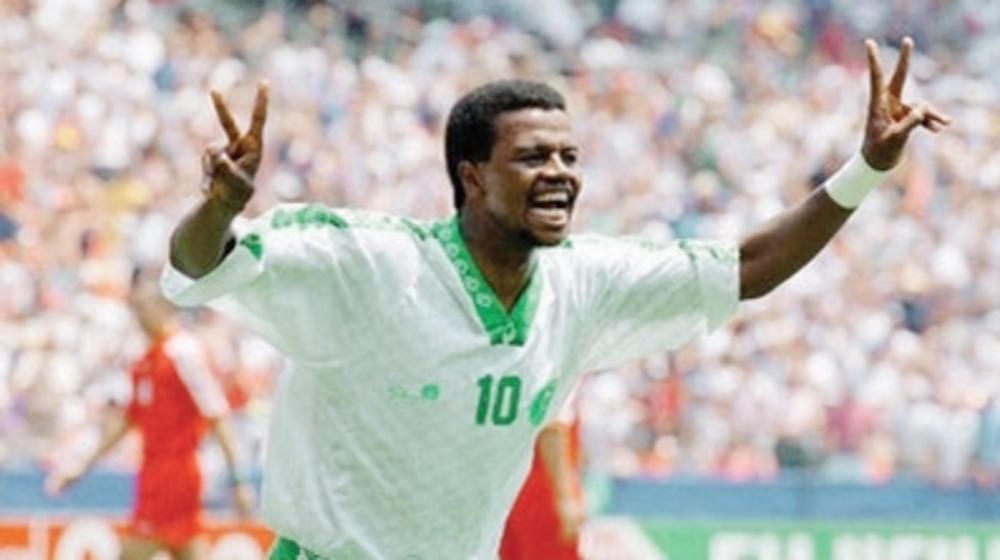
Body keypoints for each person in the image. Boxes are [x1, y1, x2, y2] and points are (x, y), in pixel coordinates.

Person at [161, 37, 947, 559]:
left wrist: (866, 170)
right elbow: (201, 265)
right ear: (472, 175)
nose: (561, 173)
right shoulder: (371, 265)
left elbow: (748, 266)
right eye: (534, 157)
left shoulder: (583, 281)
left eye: (570, 156)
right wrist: (220, 207)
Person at [46, 277, 253, 560]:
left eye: (142, 308)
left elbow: (217, 413)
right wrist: (82, 466)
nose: (138, 317)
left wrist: (238, 479)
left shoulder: (183, 352)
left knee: (134, 551)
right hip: (152, 472)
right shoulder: (145, 360)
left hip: (177, 473)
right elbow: (127, 421)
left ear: (161, 307)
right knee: (186, 548)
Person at [500, 400, 584, 560]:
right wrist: (565, 497)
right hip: (543, 489)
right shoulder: (558, 386)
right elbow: (552, 430)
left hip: (518, 484)